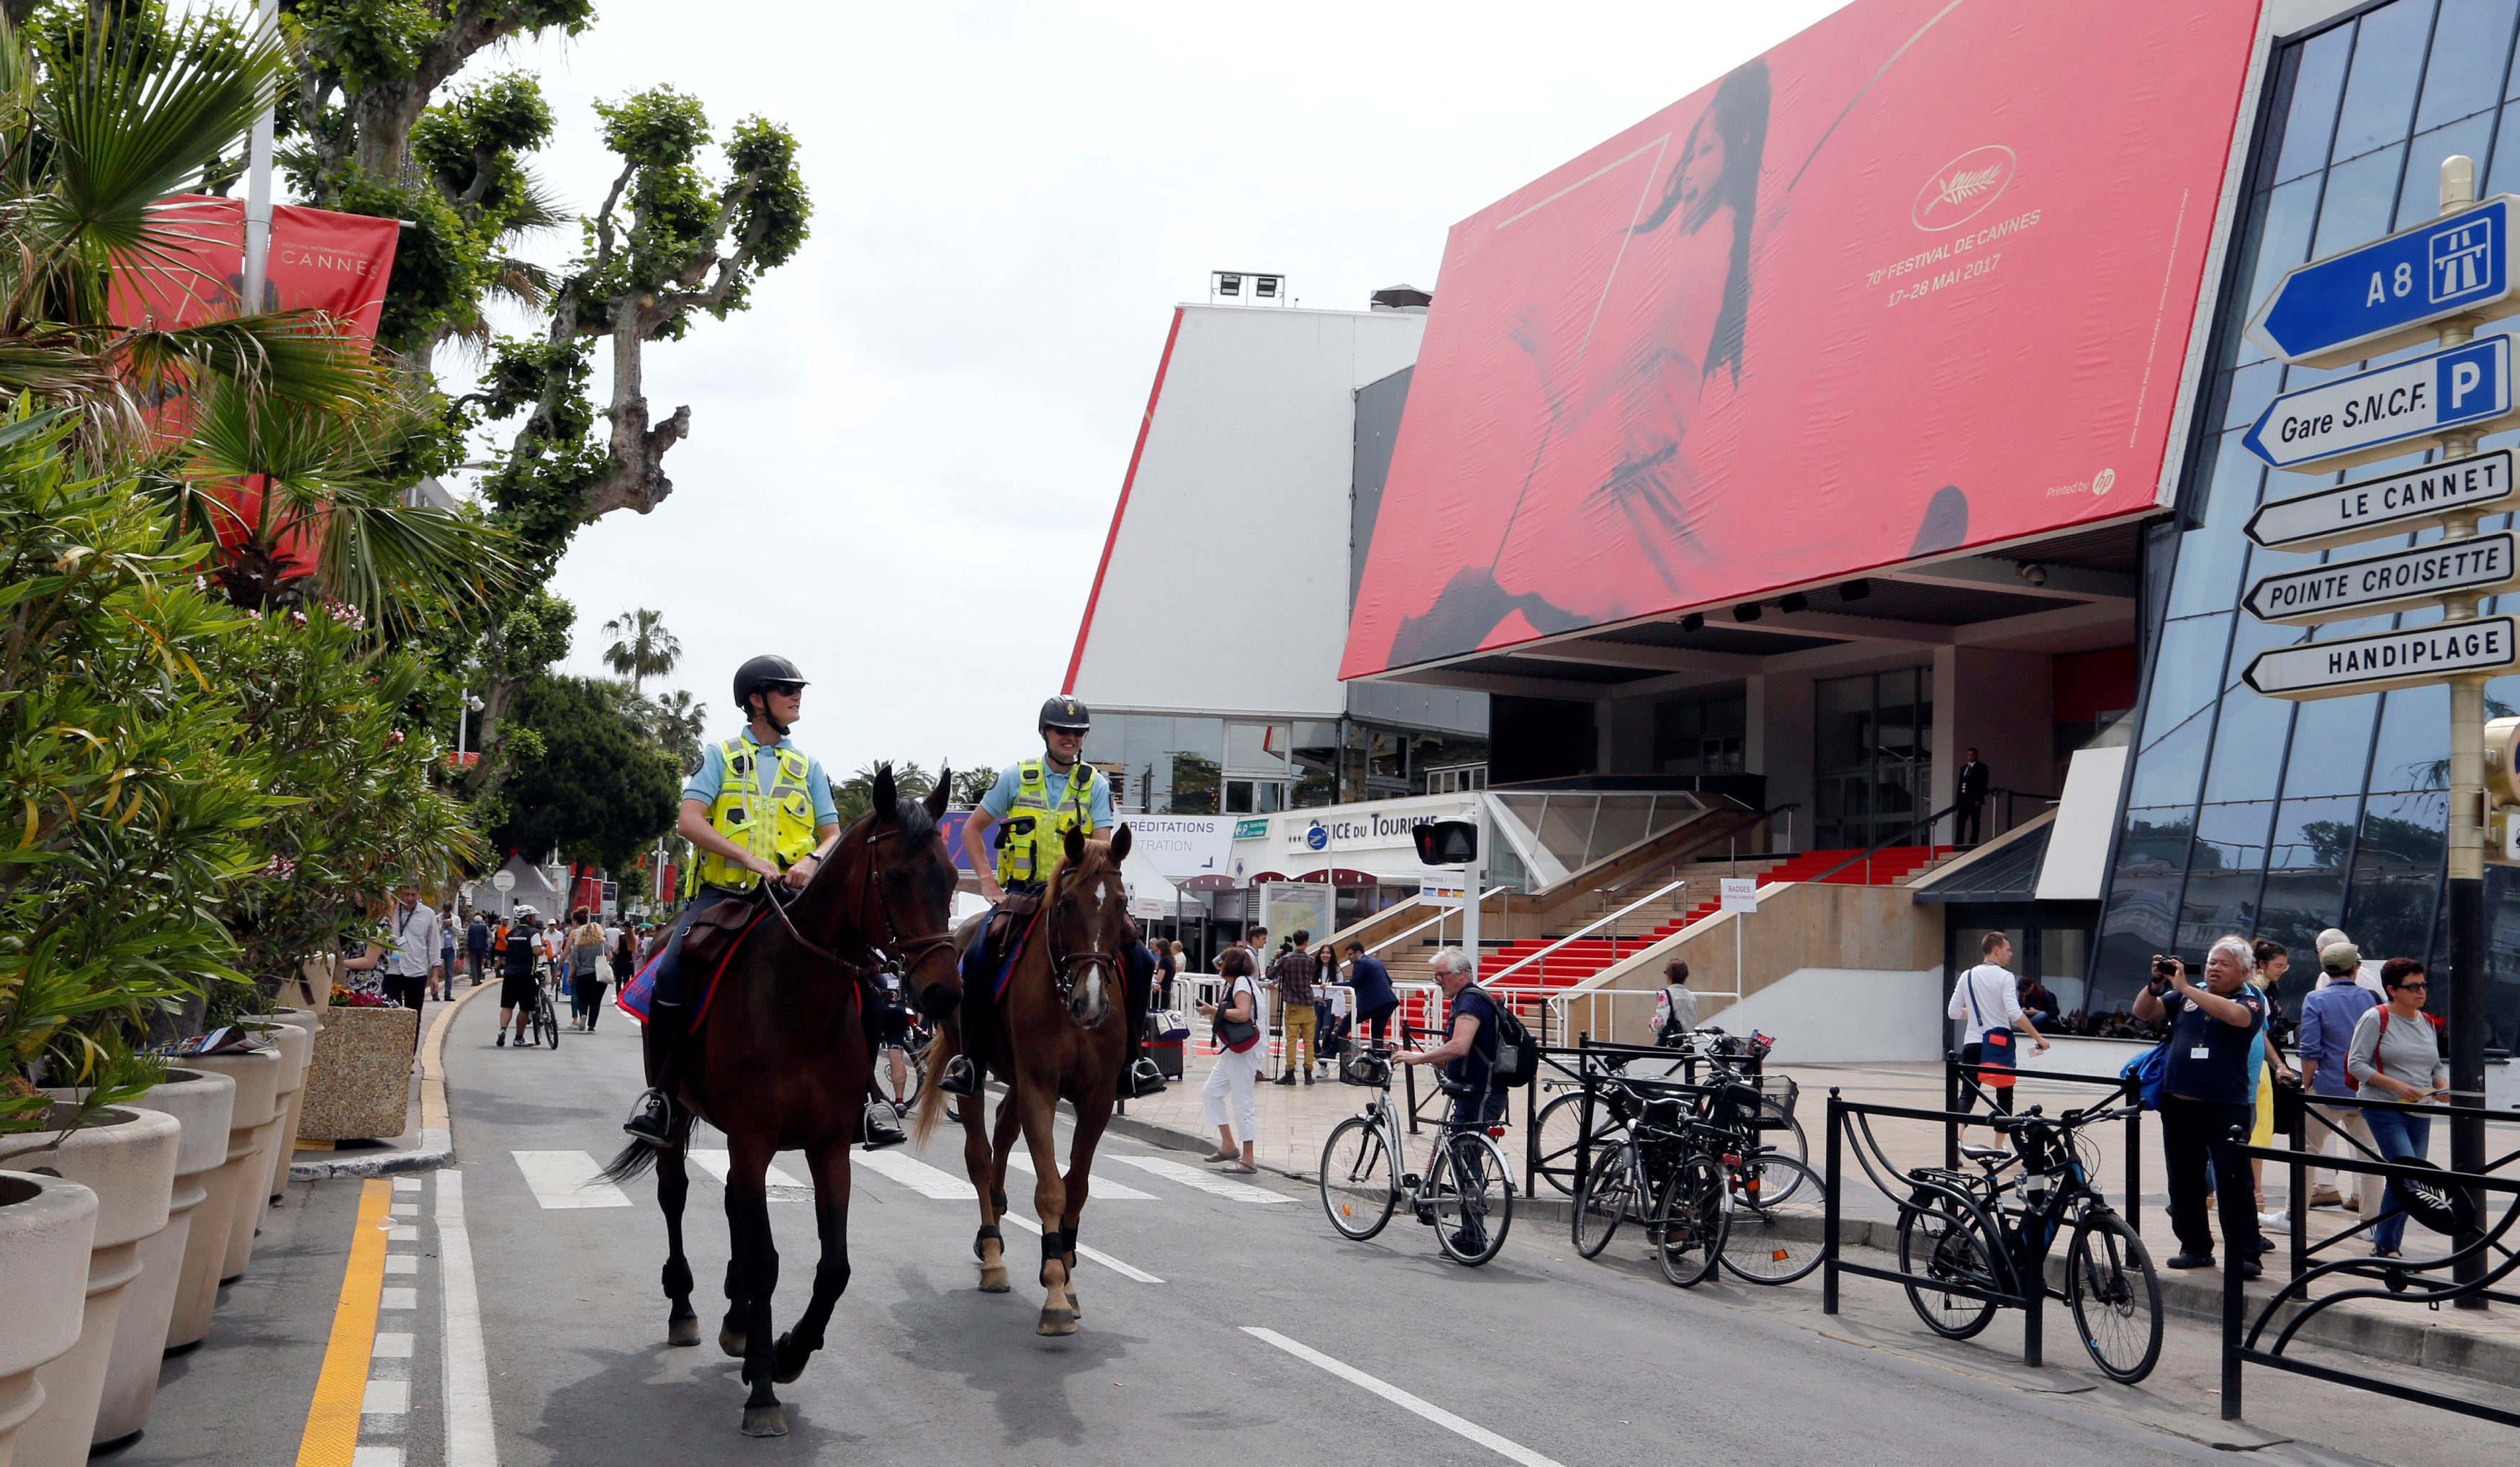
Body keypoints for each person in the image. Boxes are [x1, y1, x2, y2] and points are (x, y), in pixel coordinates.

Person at [624, 655, 851, 1144]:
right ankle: (662, 1094)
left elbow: (834, 832)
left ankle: (869, 1098)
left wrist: (813, 857)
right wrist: (747, 858)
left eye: (798, 690)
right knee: (671, 972)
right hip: (722, 897)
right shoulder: (720, 756)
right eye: (786, 689)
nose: (797, 697)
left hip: (789, 901)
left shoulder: (808, 765)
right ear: (756, 699)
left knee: (861, 975)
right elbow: (689, 821)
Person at [942, 694, 1165, 1101]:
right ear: (1045, 732)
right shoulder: (1015, 776)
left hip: (1075, 900)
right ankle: (970, 1059)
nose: (1070, 738)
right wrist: (988, 884)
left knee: (1143, 958)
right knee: (975, 952)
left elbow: (1102, 847)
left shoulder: (1096, 784)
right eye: (1062, 731)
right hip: (1023, 897)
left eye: (1078, 733)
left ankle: (1134, 1061)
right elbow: (972, 830)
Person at [2133, 936, 2270, 1277]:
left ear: (2244, 971)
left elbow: (2236, 1017)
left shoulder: (2251, 999)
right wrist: (2155, 986)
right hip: (2178, 1104)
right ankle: (2194, 1247)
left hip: (2225, 1107)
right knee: (2183, 1182)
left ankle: (2246, 1254)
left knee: (2234, 1184)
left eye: (2224, 964)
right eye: (2211, 962)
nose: (2214, 968)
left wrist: (2188, 989)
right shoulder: (2184, 995)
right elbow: (2143, 1012)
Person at [1395, 947, 1506, 1255]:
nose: (1437, 981)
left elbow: (1459, 1045)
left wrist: (1419, 1058)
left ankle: (1474, 1237)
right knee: (1463, 1157)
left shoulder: (1470, 1000)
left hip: (1480, 1092)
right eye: (1435, 976)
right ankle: (1471, 1234)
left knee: (1465, 1160)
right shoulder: (1468, 998)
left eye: (1441, 975)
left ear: (1461, 974)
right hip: (1475, 1089)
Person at [2346, 958, 2449, 1258]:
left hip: (2421, 1108)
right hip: (2383, 1106)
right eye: (2412, 986)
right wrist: (2396, 1086)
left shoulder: (2427, 1021)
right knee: (2407, 1174)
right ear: (2392, 990)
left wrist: (2441, 1085)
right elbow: (2357, 1064)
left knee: (2410, 1180)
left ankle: (2387, 1242)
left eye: (2423, 985)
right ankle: (2387, 1246)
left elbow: (2436, 1065)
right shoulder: (2376, 1018)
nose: (2421, 992)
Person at [2295, 941, 2381, 1213]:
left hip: (2328, 1086)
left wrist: (2307, 1084)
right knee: (2370, 1158)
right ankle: (2371, 1224)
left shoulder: (2315, 999)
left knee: (2306, 1150)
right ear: (2355, 969)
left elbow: (2310, 1049)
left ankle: (2294, 1215)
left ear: (2324, 968)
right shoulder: (2372, 998)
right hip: (2366, 1088)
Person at [1947, 932, 2048, 1113]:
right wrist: (2039, 1038)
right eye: (2008, 950)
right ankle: (1998, 1143)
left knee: (1967, 1095)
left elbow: (1953, 1012)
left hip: (1972, 1043)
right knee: (2004, 1097)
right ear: (1996, 950)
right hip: (1998, 1044)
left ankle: (1956, 1138)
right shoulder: (2006, 977)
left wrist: (1980, 1014)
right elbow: (2014, 1013)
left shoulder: (1967, 975)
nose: (2011, 954)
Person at [2246, 938, 2302, 1234]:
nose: (2283, 970)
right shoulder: (2256, 990)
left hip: (2270, 1066)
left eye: (2285, 965)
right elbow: (2262, 1033)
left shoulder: (2269, 987)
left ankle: (2248, 1191)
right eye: (2279, 965)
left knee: (2260, 1127)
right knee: (2257, 1127)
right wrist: (2278, 1063)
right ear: (2262, 964)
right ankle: (2253, 1192)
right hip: (2263, 1068)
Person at [1196, 947, 1263, 1173]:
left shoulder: (1242, 983)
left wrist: (1214, 1010)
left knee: (1242, 1101)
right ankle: (1228, 1145)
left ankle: (1249, 1158)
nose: (1219, 964)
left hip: (1243, 1051)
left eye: (1223, 961)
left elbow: (1243, 1014)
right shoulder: (1241, 982)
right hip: (1234, 1049)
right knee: (1211, 1092)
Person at [377, 883, 441, 1053]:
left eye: (413, 894)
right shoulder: (388, 911)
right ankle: (393, 1055)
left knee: (414, 1017)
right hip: (392, 971)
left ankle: (409, 1057)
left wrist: (435, 975)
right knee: (392, 1015)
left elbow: (434, 944)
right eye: (406, 894)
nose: (410, 898)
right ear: (399, 893)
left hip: (416, 971)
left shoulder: (427, 914)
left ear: (419, 894)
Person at [1269, 929, 1320, 1085]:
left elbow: (1271, 974)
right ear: (1306, 942)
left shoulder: (1286, 959)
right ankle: (1308, 1073)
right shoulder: (1311, 960)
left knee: (1292, 1040)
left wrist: (1274, 959)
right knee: (1309, 1041)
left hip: (1293, 1005)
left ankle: (1290, 1073)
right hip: (1309, 1005)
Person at [497, 907, 543, 1047]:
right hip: (526, 974)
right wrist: (543, 950)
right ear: (528, 918)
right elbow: (536, 951)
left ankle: (503, 1030)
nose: (535, 919)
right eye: (533, 916)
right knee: (524, 1008)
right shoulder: (534, 933)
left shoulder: (511, 934)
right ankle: (519, 1037)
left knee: (507, 1005)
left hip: (510, 974)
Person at [1341, 940, 1398, 1047]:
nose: (1348, 957)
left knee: (1347, 1021)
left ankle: (1332, 1051)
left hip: (1373, 1004)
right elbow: (1389, 982)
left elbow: (1353, 983)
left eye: (1350, 954)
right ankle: (1378, 1060)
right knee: (1377, 1036)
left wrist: (1332, 984)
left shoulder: (1360, 963)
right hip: (1387, 1003)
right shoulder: (1376, 962)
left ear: (1358, 953)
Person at [568, 907, 608, 1031]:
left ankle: (583, 1015)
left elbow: (574, 961)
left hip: (583, 974)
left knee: (582, 998)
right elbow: (610, 956)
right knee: (596, 1001)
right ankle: (592, 1025)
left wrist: (570, 976)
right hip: (599, 975)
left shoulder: (578, 945)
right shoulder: (602, 944)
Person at [1650, 959, 1697, 1044]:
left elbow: (1660, 1023)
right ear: (1686, 976)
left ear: (1669, 975)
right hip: (1687, 1043)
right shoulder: (1691, 996)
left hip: (1670, 1044)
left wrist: (1653, 1022)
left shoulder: (1665, 994)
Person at [1955, 747, 1990, 845]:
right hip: (1964, 800)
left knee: (1975, 821)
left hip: (1974, 799)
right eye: (1969, 755)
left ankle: (1973, 842)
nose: (1971, 757)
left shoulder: (1982, 767)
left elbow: (1983, 784)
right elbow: (1960, 784)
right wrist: (1958, 801)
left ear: (1976, 755)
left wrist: (1979, 798)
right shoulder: (1964, 768)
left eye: (1973, 754)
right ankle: (1958, 842)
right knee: (1960, 821)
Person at [437, 906, 459, 1001]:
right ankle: (435, 993)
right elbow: (434, 932)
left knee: (449, 972)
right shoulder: (436, 918)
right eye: (445, 912)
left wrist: (452, 925)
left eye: (448, 912)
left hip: (450, 948)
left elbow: (459, 933)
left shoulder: (456, 919)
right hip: (439, 948)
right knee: (435, 971)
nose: (446, 914)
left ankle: (447, 994)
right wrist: (442, 925)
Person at [466, 910, 492, 988]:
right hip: (481, 948)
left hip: (472, 948)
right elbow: (490, 935)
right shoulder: (484, 927)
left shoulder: (470, 926)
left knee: (473, 964)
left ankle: (474, 981)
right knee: (479, 964)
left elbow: (466, 937)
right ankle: (479, 980)